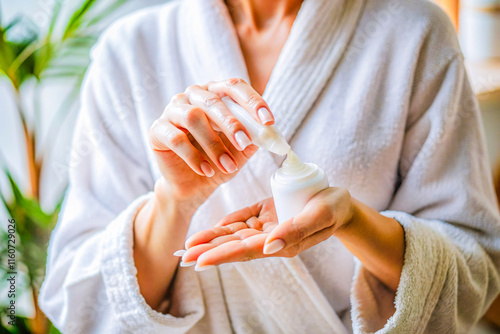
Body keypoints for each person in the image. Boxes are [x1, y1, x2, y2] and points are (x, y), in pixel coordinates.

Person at [39, 0, 500, 332]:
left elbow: (474, 271)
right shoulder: (130, 50)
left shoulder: (414, 31)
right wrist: (174, 200)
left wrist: (354, 222)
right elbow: (79, 300)